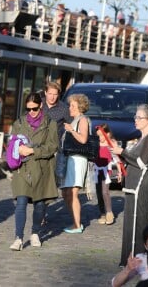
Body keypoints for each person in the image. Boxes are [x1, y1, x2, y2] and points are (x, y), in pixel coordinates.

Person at [9, 92, 58, 251]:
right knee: (21, 202)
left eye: (34, 108)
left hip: (42, 168)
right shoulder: (19, 123)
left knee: (39, 204)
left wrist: (32, 151)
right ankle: (18, 237)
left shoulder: (50, 123)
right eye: (28, 109)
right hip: (22, 169)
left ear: (41, 105)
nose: (31, 112)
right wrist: (18, 149)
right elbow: (12, 142)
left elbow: (52, 146)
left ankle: (35, 232)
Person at [112, 104, 148, 266]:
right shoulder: (141, 139)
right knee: (130, 221)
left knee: (139, 222)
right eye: (135, 117)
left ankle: (142, 259)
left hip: (141, 186)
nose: (135, 120)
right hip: (132, 185)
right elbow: (132, 161)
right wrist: (121, 160)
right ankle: (128, 258)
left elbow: (142, 162)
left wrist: (122, 152)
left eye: (139, 117)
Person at [60, 93, 90, 234]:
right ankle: (75, 222)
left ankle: (77, 225)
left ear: (80, 107)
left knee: (72, 192)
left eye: (72, 105)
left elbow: (83, 140)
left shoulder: (82, 120)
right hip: (71, 159)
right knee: (66, 192)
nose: (69, 108)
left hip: (78, 160)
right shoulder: (75, 119)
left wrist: (71, 130)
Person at [41, 81, 72, 186]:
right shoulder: (38, 105)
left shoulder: (64, 109)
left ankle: (46, 198)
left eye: (55, 94)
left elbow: (71, 126)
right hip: (37, 145)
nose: (52, 97)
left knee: (52, 178)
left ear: (58, 94)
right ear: (45, 93)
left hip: (54, 148)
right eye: (50, 94)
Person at [94, 124, 122, 225]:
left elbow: (117, 159)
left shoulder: (111, 143)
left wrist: (119, 172)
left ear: (108, 134)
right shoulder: (96, 144)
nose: (100, 138)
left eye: (102, 135)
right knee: (98, 192)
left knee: (105, 191)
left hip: (107, 171)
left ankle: (109, 212)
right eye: (98, 136)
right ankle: (102, 213)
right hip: (97, 170)